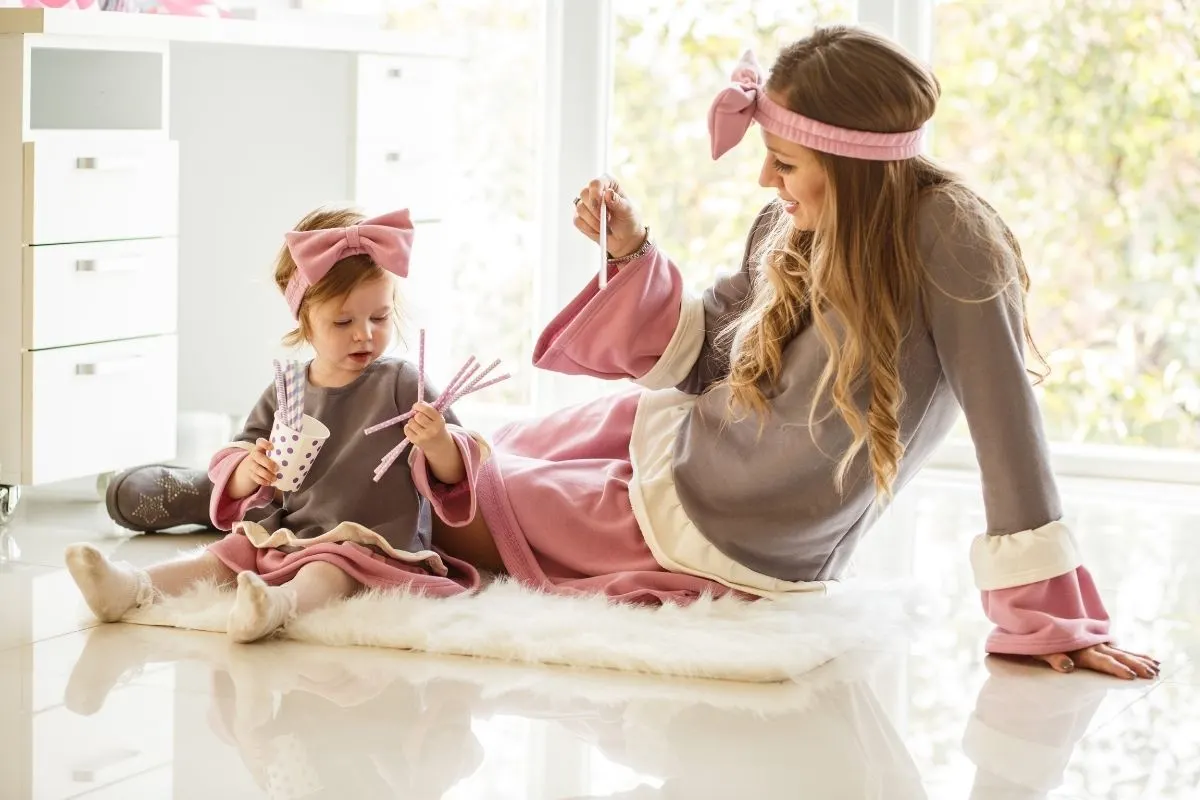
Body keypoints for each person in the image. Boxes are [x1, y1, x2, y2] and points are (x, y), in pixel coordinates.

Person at [100, 26, 1157, 681]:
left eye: (781, 161)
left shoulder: (947, 239)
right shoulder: (791, 228)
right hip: (694, 441)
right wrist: (633, 254)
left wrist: (1046, 613)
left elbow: (1012, 428)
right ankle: (236, 488)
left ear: (848, 159)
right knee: (493, 447)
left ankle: (251, 506)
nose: (763, 181)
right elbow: (702, 343)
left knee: (483, 522)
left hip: (745, 513)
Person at [65, 206, 493, 643]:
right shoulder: (287, 389)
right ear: (304, 320)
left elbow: (458, 474)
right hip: (293, 530)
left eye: (379, 318)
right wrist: (248, 471)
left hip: (374, 543)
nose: (364, 334)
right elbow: (236, 455)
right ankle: (131, 587)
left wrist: (436, 441)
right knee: (226, 554)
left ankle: (279, 606)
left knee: (328, 568)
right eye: (343, 321)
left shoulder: (403, 383)